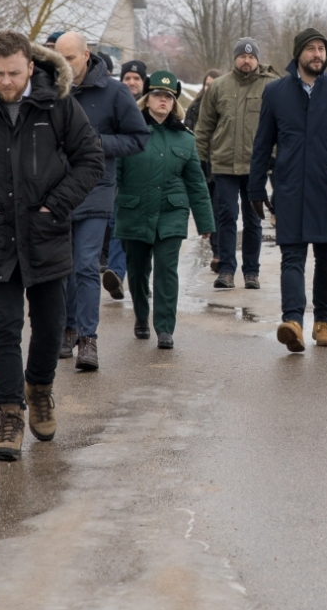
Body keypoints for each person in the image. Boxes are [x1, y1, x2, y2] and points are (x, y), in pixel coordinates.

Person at [0, 31, 105, 461]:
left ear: (31, 66)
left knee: (51, 325)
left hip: (46, 233)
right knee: (4, 328)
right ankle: (10, 413)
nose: (6, 82)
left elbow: (91, 159)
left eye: (13, 73)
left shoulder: (57, 103)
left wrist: (56, 205)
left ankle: (40, 388)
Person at [249, 27, 327, 352]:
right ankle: (292, 322)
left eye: (321, 49)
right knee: (291, 256)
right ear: (298, 54)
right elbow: (262, 143)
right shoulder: (276, 92)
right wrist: (255, 188)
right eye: (311, 49)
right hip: (290, 187)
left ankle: (322, 323)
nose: (318, 54)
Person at [50, 31, 150, 370]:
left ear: (86, 55)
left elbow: (138, 138)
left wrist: (97, 143)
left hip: (95, 189)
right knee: (63, 268)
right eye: (59, 58)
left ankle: (87, 339)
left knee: (86, 264)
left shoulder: (115, 92)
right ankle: (67, 329)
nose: (64, 64)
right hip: (56, 192)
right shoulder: (50, 90)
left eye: (70, 58)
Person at [116, 71, 216, 348]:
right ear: (147, 99)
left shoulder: (185, 139)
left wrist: (206, 223)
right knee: (137, 271)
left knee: (166, 269)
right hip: (134, 210)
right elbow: (114, 175)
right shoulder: (129, 133)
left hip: (172, 212)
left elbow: (196, 184)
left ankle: (164, 329)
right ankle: (141, 315)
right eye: (158, 95)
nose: (163, 100)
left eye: (169, 97)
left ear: (174, 103)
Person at [195, 38, 280, 290]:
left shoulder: (271, 85)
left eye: (251, 56)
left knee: (253, 220)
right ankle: (226, 270)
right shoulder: (219, 86)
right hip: (224, 164)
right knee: (226, 217)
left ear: (257, 59)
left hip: (256, 166)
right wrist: (200, 160)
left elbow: (282, 124)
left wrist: (275, 156)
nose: (247, 60)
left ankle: (251, 272)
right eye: (242, 56)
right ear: (235, 58)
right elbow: (204, 126)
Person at [101, 58, 150, 301]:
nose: (132, 82)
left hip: (146, 178)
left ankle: (141, 280)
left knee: (144, 233)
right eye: (127, 78)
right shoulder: (114, 103)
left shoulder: (152, 106)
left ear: (144, 82)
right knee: (117, 224)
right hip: (119, 175)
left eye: (136, 78)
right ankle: (117, 275)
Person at [183, 68, 222, 272]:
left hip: (220, 166)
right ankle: (216, 249)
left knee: (219, 209)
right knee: (206, 208)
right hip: (200, 164)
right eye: (207, 84)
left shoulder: (225, 107)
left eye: (213, 85)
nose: (209, 88)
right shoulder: (194, 107)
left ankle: (218, 253)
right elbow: (187, 134)